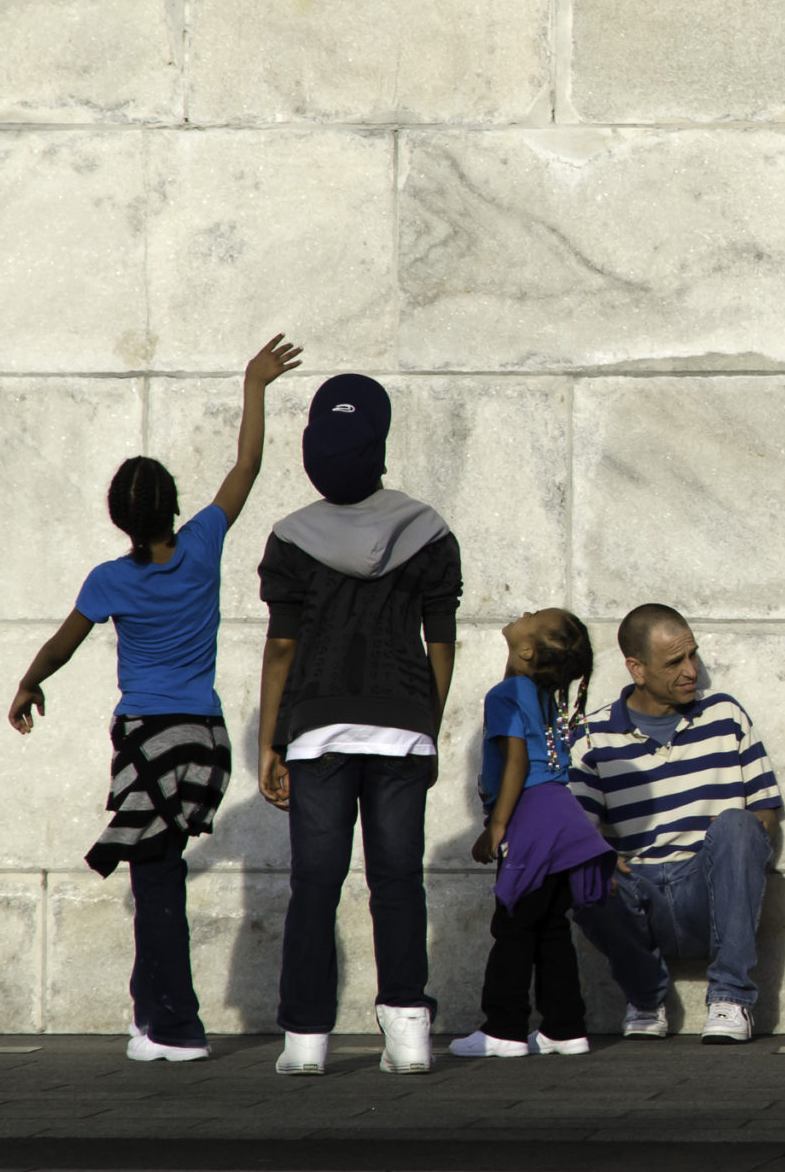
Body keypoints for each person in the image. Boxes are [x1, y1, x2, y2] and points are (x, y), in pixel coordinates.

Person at [8, 335, 302, 1063]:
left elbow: (61, 646)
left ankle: (175, 1026)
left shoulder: (109, 579)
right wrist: (254, 383)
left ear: (118, 518)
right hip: (203, 737)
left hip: (147, 740)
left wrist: (30, 682)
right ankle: (153, 1017)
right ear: (173, 506)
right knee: (159, 875)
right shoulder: (203, 544)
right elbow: (246, 467)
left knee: (159, 882)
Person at [257, 373, 463, 1077]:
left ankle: (306, 1040)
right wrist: (427, 722)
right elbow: (441, 640)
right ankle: (407, 1032)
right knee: (398, 880)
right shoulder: (428, 530)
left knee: (316, 884)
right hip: (403, 724)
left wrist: (270, 740)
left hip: (316, 728)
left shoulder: (290, 538)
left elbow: (282, 645)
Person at [569, 604, 783, 1044]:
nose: (691, 671)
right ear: (637, 669)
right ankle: (646, 998)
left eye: (693, 657)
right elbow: (579, 827)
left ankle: (731, 997)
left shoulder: (725, 716)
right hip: (637, 894)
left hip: (708, 891)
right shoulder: (593, 737)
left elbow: (764, 813)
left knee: (740, 825)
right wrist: (602, 860)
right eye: (674, 663)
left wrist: (733, 862)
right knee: (584, 866)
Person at [452, 609, 613, 1059]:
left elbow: (518, 763)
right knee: (549, 927)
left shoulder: (505, 693)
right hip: (564, 818)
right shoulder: (546, 697)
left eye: (533, 617)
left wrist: (497, 825)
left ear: (527, 650)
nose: (524, 613)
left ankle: (503, 1029)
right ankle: (564, 1028)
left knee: (515, 924)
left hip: (533, 818)